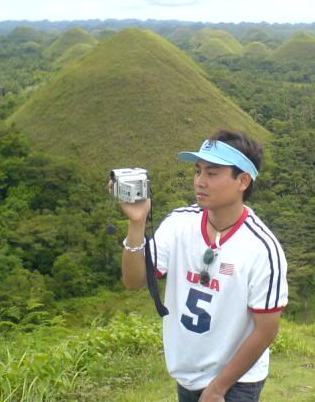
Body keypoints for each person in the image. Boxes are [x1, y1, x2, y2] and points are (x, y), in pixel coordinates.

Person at [118, 129, 288, 402]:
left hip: (238, 380)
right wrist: (137, 223)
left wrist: (219, 387)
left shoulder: (262, 248)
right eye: (197, 171)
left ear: (243, 180)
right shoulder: (179, 224)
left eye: (212, 173)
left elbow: (267, 328)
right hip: (187, 373)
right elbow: (134, 281)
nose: (200, 181)